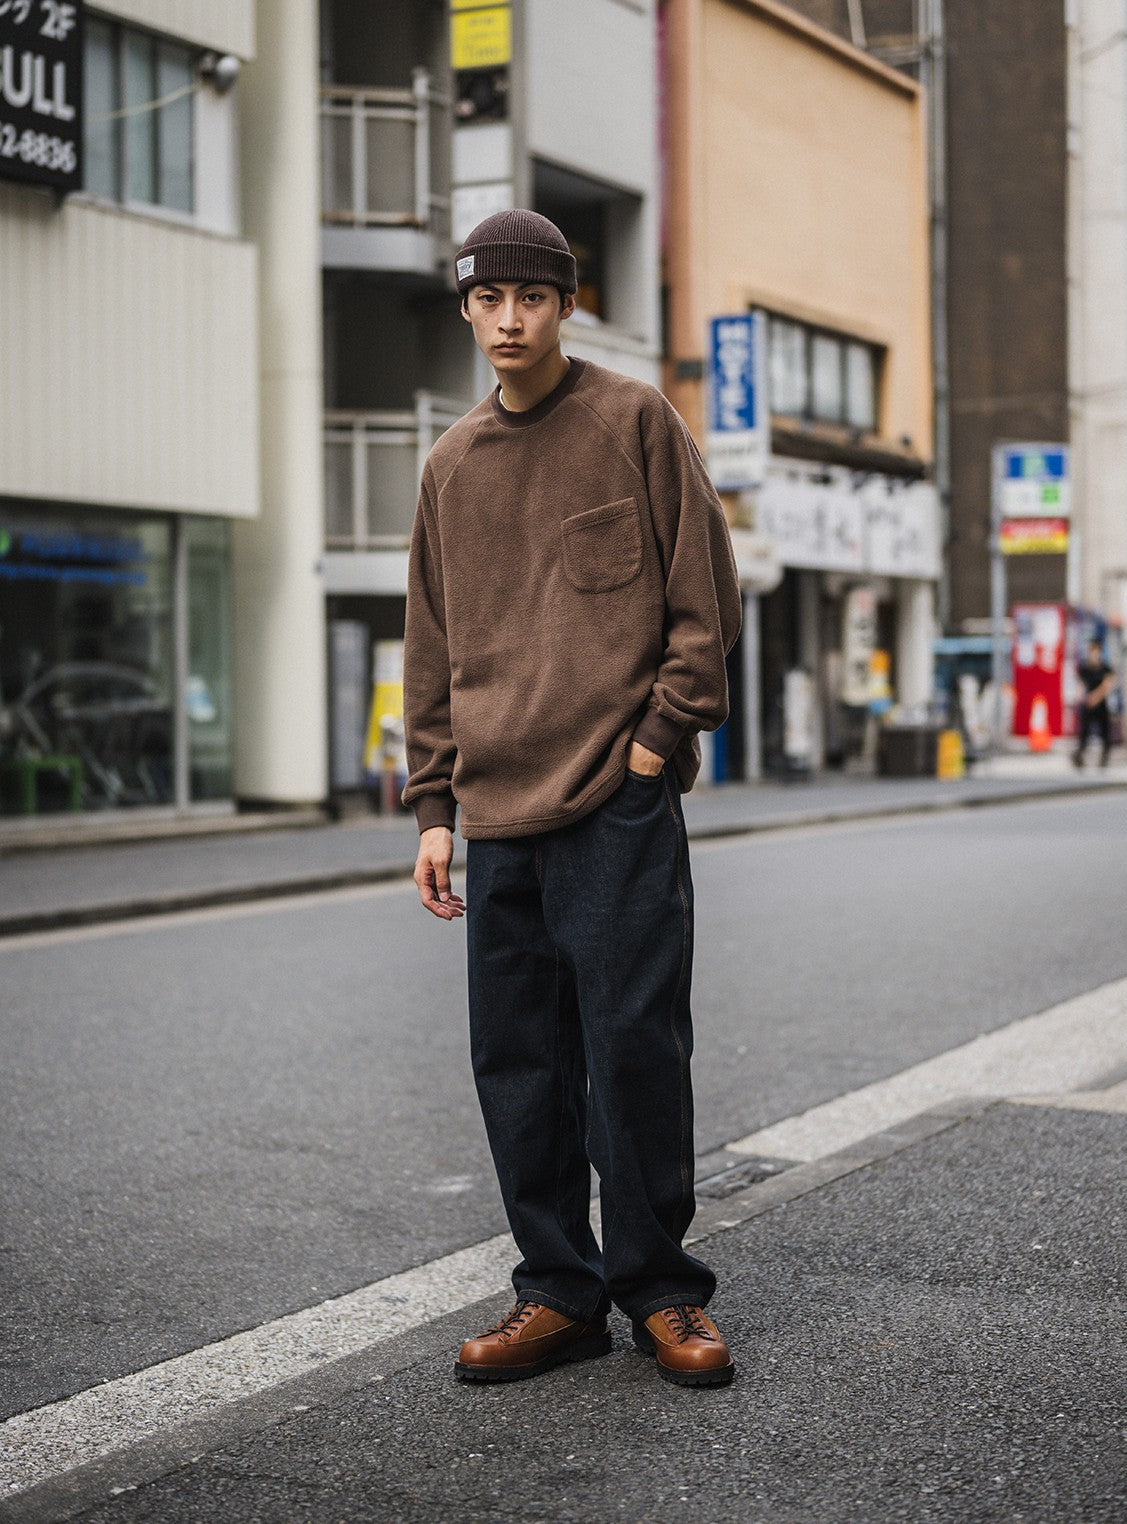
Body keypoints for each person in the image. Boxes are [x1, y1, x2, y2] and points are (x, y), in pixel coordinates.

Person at [401, 209, 742, 1389]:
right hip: (496, 815)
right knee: (520, 1064)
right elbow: (432, 651)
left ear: (566, 305)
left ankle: (660, 1290)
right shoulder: (449, 467)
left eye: (531, 298)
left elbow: (705, 605)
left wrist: (653, 751)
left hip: (615, 803)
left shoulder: (633, 420)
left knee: (633, 1049)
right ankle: (556, 1292)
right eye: (487, 299)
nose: (509, 320)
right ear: (466, 309)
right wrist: (434, 810)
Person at [1072, 637, 1116, 768]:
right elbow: (1080, 685)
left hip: (1101, 704)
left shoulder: (1105, 669)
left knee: (1104, 731)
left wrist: (1095, 697)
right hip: (1088, 703)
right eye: (1092, 650)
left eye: (1097, 650)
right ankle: (1080, 753)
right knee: (1084, 730)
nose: (1095, 654)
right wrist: (1079, 698)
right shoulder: (1085, 668)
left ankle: (1105, 755)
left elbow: (1107, 685)